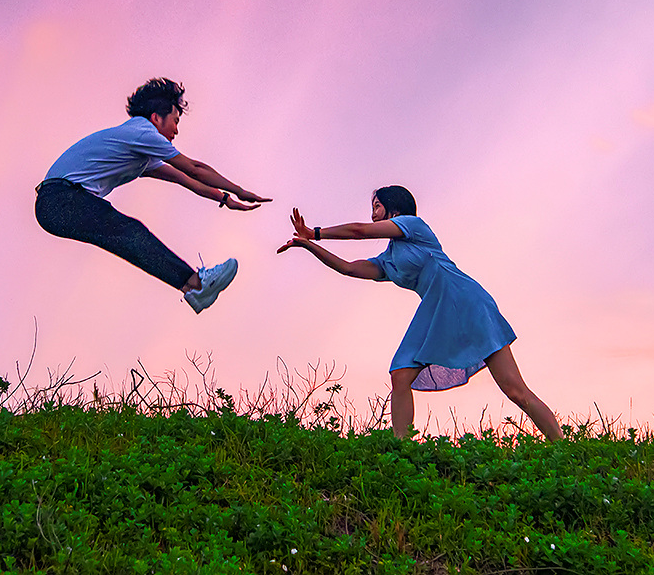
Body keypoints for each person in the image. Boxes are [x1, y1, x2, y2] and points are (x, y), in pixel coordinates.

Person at [278, 186, 563, 440]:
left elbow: (359, 231)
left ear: (394, 208)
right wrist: (309, 245)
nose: (373, 214)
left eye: (377, 207)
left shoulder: (413, 226)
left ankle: (562, 448)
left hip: (466, 300)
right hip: (436, 310)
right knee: (401, 374)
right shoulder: (389, 259)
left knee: (515, 391)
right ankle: (402, 449)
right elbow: (349, 268)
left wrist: (316, 232)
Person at [36, 78, 271, 313]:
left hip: (57, 204)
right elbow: (194, 168)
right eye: (175, 121)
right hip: (60, 199)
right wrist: (239, 190)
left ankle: (194, 287)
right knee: (128, 231)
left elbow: (186, 179)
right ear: (156, 117)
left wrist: (225, 199)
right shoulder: (141, 133)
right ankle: (196, 285)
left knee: (129, 234)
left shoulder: (139, 148)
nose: (176, 130)